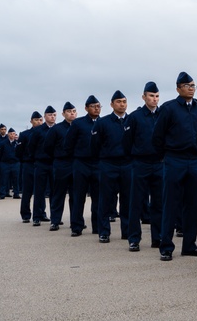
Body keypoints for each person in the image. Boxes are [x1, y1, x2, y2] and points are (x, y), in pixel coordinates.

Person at [152, 72, 197, 261]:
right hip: (174, 160)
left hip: (195, 161)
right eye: (188, 85)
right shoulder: (169, 108)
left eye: (193, 86)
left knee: (192, 205)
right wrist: (164, 156)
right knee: (171, 204)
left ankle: (189, 245)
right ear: (178, 88)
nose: (191, 88)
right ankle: (166, 246)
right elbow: (157, 136)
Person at [123, 81, 164, 249]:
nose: (154, 99)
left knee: (158, 203)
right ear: (144, 97)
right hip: (140, 163)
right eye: (151, 96)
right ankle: (134, 239)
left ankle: (158, 237)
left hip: (159, 163)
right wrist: (133, 158)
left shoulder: (163, 114)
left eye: (156, 96)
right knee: (137, 202)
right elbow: (126, 142)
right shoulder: (135, 117)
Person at [92, 90, 132, 245]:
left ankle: (127, 231)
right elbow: (95, 145)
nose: (122, 104)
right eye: (118, 102)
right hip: (108, 164)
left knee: (127, 199)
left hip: (128, 164)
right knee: (106, 199)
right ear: (112, 104)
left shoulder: (131, 120)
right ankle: (104, 232)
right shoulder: (103, 122)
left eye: (124, 101)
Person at [63, 95, 102, 237]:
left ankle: (98, 226)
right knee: (79, 196)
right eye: (93, 106)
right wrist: (76, 158)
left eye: (98, 106)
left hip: (98, 163)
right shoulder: (78, 124)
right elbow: (68, 144)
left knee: (98, 197)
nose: (96, 108)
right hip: (81, 163)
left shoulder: (103, 123)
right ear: (86, 108)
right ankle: (77, 226)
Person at [43, 103, 76, 228]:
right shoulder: (56, 129)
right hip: (61, 163)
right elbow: (47, 146)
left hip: (76, 163)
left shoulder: (79, 126)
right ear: (63, 114)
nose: (72, 113)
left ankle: (76, 221)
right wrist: (57, 156)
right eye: (69, 111)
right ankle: (55, 221)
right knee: (58, 193)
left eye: (74, 111)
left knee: (76, 194)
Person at [29, 107, 57, 226]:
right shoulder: (38, 130)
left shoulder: (58, 129)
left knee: (55, 192)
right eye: (50, 115)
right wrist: (36, 159)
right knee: (39, 191)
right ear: (45, 116)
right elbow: (31, 147)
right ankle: (37, 216)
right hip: (41, 163)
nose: (52, 117)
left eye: (54, 115)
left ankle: (55, 217)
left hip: (54, 163)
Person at [16, 112, 43, 223]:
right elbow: (18, 151)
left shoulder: (47, 132)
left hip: (41, 163)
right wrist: (25, 160)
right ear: (31, 121)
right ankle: (26, 214)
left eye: (40, 120)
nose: (39, 122)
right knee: (27, 190)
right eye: (36, 120)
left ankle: (42, 213)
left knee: (40, 190)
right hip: (28, 164)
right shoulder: (25, 134)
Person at [0, 128, 21, 199]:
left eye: (14, 134)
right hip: (5, 163)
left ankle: (16, 194)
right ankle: (2, 194)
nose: (12, 135)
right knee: (4, 179)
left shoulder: (17, 143)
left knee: (16, 179)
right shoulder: (3, 143)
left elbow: (20, 153)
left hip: (15, 163)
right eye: (11, 134)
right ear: (8, 134)